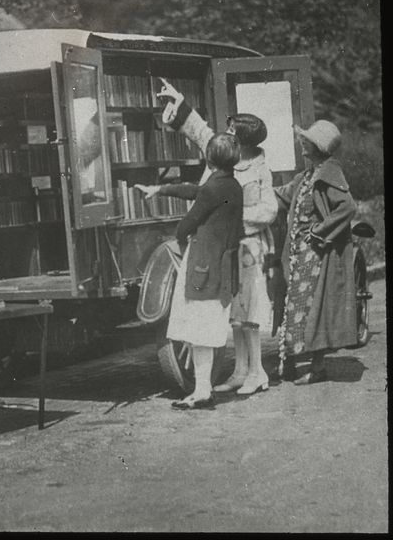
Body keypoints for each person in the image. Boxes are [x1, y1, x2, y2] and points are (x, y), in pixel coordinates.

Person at [138, 79, 278, 396]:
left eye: (231, 131)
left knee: (249, 310)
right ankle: (241, 370)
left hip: (247, 246)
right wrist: (179, 99)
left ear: (242, 141)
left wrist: (230, 216)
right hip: (222, 246)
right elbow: (200, 130)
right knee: (234, 314)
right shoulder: (223, 153)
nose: (224, 134)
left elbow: (269, 209)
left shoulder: (259, 168)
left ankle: (258, 371)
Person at [157, 133, 243, 409]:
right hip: (223, 265)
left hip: (202, 267)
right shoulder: (232, 185)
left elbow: (187, 222)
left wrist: (179, 237)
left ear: (209, 158)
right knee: (205, 331)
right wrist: (160, 189)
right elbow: (197, 191)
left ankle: (202, 391)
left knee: (197, 331)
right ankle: (202, 389)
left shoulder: (212, 188)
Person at [272, 120, 357, 384]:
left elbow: (347, 207)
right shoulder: (307, 175)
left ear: (318, 146)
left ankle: (317, 366)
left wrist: (319, 231)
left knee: (313, 308)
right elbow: (283, 196)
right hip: (300, 254)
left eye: (306, 140)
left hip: (318, 254)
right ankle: (293, 361)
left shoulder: (329, 174)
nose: (302, 143)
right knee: (295, 305)